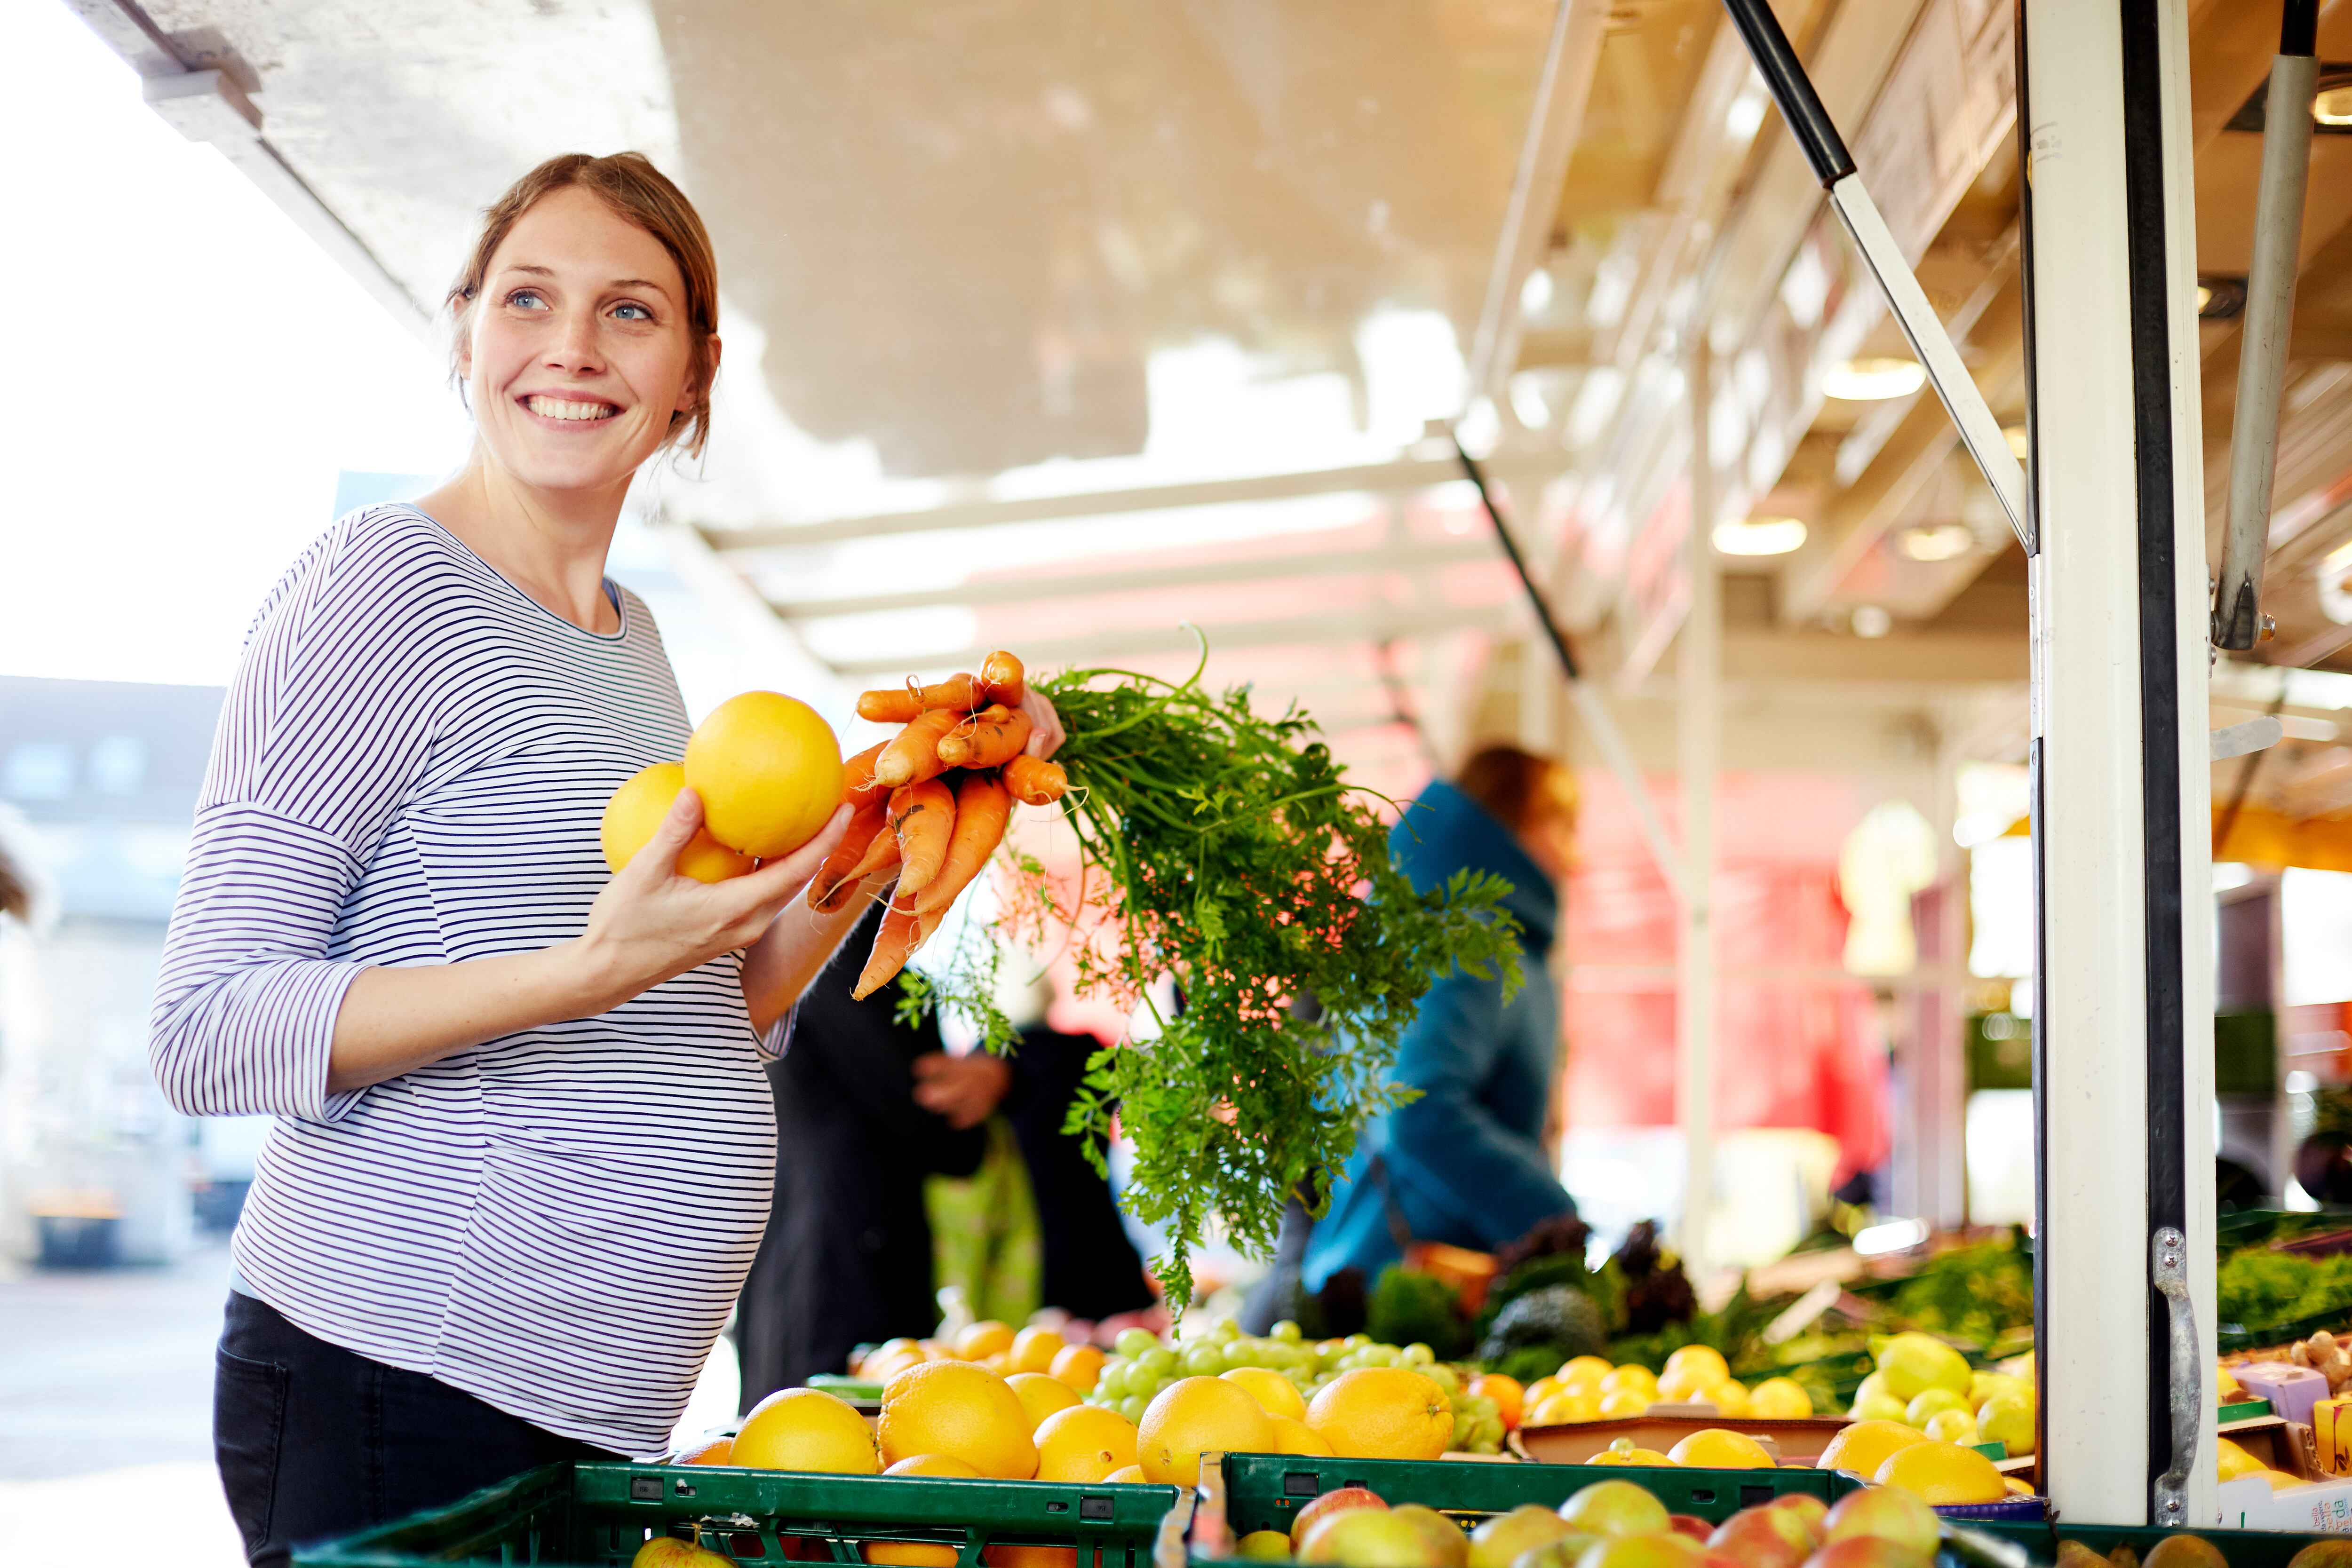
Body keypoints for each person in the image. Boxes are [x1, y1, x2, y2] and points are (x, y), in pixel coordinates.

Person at [145, 151, 1061, 1568]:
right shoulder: (378, 588)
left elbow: (697, 1005)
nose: (570, 347)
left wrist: (874, 836)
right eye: (528, 298)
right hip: (397, 1376)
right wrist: (577, 972)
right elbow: (207, 1032)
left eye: (628, 311)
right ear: (463, 332)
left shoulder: (628, 640)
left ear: (695, 372)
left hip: (579, 1400)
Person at [1297, 744, 1579, 1294]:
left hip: (1368, 1264)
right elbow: (1416, 1106)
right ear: (1512, 822)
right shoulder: (1469, 939)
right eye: (1562, 824)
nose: (1575, 856)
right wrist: (1548, 1217)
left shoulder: (1420, 926)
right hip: (1415, 1284)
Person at [733, 902, 998, 1405]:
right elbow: (940, 1134)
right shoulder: (847, 955)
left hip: (804, 1242)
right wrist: (993, 1078)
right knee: (841, 1443)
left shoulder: (787, 943)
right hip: (848, 1263)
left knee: (789, 1438)